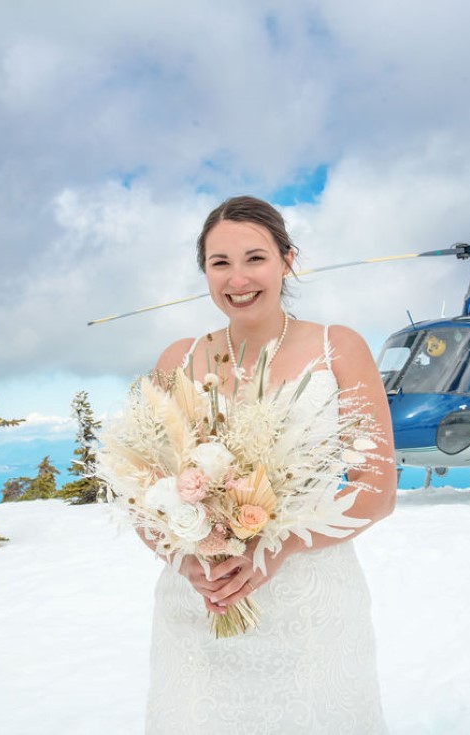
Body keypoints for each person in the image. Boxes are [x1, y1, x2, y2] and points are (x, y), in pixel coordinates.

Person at [145, 195, 397, 733]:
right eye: (220, 263)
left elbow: (376, 490)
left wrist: (278, 548)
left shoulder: (338, 347)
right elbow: (141, 488)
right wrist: (184, 561)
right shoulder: (177, 360)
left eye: (255, 258)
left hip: (309, 608)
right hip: (199, 606)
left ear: (287, 260)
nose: (237, 279)